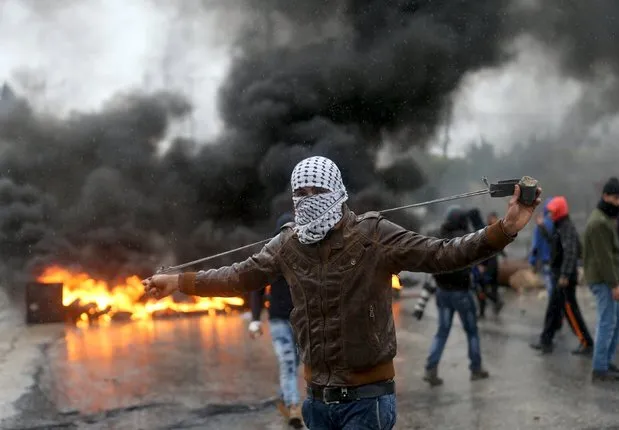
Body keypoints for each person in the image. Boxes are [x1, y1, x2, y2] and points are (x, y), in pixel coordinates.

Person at [143, 156, 541, 429]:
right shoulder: (287, 245)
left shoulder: (373, 236)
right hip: (317, 401)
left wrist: (503, 229)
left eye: (316, 191)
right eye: (300, 194)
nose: (307, 201)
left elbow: (443, 254)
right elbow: (238, 276)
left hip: (367, 400)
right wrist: (179, 281)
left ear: (335, 191)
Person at [423, 206, 490, 386]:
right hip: (461, 292)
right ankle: (476, 369)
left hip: (442, 292)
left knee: (442, 332)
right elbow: (482, 243)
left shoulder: (438, 235)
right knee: (472, 332)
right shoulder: (464, 238)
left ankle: (431, 368)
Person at [249, 212, 303, 428]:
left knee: (296, 362)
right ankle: (293, 407)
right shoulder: (271, 256)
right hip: (279, 320)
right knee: (288, 361)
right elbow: (257, 289)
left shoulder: (305, 254)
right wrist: (254, 319)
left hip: (299, 320)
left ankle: (283, 397)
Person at [529, 196, 594, 355]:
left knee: (570, 311)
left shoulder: (567, 228)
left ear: (559, 211)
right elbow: (553, 242)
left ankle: (586, 343)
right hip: (559, 275)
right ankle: (546, 341)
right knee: (553, 309)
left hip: (565, 278)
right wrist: (542, 227)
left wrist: (565, 274)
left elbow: (572, 252)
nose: (550, 214)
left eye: (552, 211)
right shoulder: (560, 226)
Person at [583, 177, 619, 382]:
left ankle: (606, 362)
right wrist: (615, 284)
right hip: (603, 279)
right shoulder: (599, 222)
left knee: (618, 321)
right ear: (606, 196)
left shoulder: (604, 218)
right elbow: (604, 258)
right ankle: (599, 368)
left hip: (605, 278)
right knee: (608, 322)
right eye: (616, 198)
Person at [476, 212, 505, 317]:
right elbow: (481, 248)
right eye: (491, 218)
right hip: (485, 262)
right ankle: (483, 310)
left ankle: (496, 303)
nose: (493, 220)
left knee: (491, 286)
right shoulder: (485, 230)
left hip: (492, 263)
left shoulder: (498, 230)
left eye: (494, 218)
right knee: (482, 288)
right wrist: (480, 264)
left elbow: (501, 244)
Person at [529, 197, 555, 296]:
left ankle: (554, 308)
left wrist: (532, 261)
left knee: (550, 288)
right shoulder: (558, 224)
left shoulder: (540, 226)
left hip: (546, 261)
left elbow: (536, 246)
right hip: (558, 261)